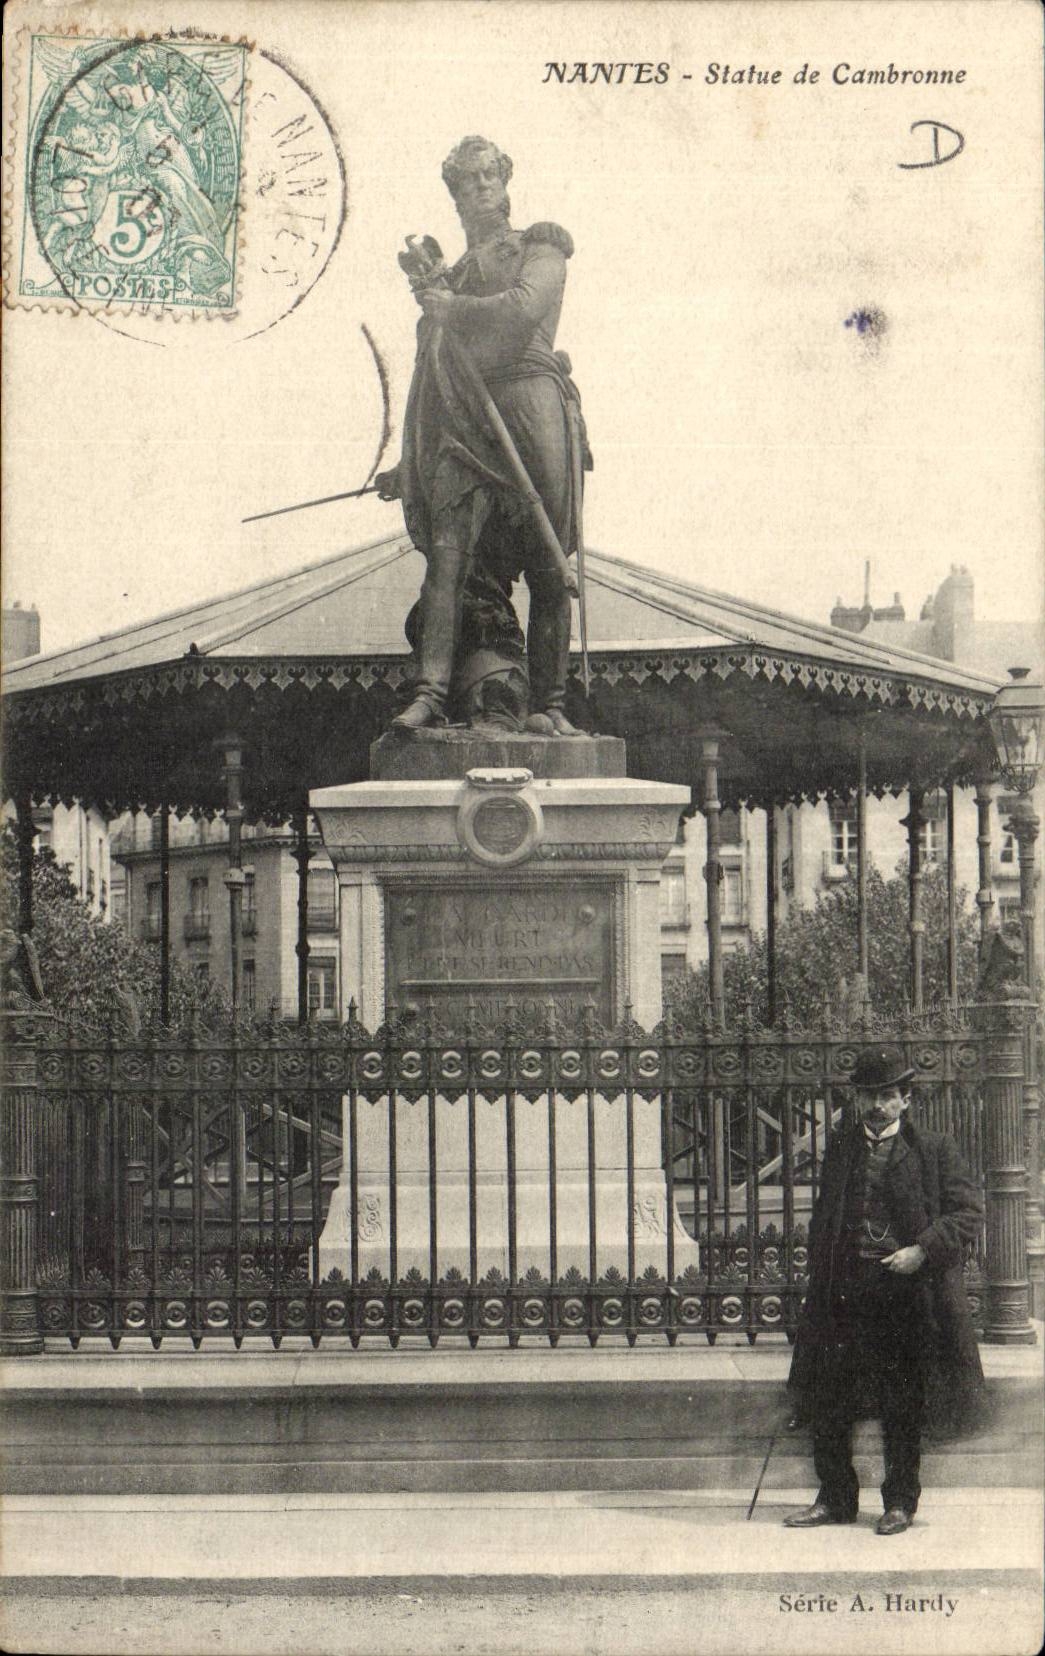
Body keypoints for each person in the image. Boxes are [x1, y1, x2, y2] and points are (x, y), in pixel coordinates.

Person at [377, 136, 590, 733]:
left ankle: (549, 706)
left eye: (486, 178)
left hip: (528, 401)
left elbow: (525, 308)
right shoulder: (451, 279)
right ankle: (430, 694)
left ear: (505, 180)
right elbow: (430, 379)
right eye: (464, 184)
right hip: (464, 422)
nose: (477, 191)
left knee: (549, 560)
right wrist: (407, 462)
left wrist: (453, 311)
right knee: (448, 561)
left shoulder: (540, 246)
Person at [784, 1045, 987, 1535]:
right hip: (844, 1294)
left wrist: (922, 1249)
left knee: (903, 1401)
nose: (876, 1105)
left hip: (906, 1297)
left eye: (887, 1095)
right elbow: (826, 1216)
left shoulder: (934, 1148)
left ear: (905, 1099)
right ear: (857, 1099)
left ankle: (899, 1502)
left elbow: (969, 1213)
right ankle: (834, 1498)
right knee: (830, 1398)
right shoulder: (843, 1147)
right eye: (868, 1096)